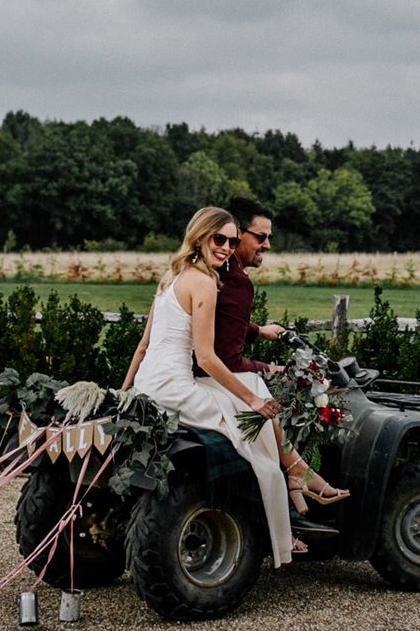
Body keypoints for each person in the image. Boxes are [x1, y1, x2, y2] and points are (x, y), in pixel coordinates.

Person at [122, 207, 301, 564]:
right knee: (255, 446)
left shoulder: (171, 276)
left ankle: (296, 482)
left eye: (233, 241)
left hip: (149, 385)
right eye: (219, 239)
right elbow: (206, 358)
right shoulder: (205, 283)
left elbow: (143, 347)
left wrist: (124, 394)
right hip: (176, 387)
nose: (226, 248)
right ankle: (283, 522)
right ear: (200, 236)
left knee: (243, 422)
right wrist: (252, 399)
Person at [195, 197, 350, 520]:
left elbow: (217, 322)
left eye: (270, 238)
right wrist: (271, 368)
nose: (266, 245)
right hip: (207, 376)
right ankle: (297, 480)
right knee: (283, 398)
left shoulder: (204, 271)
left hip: (181, 370)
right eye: (260, 237)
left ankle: (296, 481)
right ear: (236, 233)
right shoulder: (236, 282)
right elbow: (228, 358)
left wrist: (258, 331)